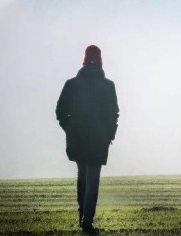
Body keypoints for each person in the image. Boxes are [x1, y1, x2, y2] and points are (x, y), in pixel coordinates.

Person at [56, 45, 119, 235]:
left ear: (84, 59)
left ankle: (82, 216)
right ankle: (87, 220)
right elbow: (113, 113)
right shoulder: (108, 85)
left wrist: (69, 128)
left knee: (82, 177)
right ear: (100, 60)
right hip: (98, 139)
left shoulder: (72, 84)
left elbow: (60, 111)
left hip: (77, 137)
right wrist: (109, 134)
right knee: (93, 180)